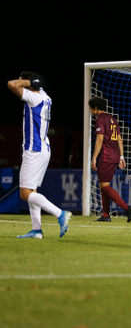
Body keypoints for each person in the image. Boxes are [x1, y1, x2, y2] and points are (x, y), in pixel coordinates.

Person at [7, 71, 71, 239]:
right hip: (44, 149)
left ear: (28, 83)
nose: (19, 81)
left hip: (34, 149)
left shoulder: (34, 98)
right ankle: (36, 230)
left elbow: (11, 84)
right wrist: (32, 82)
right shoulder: (45, 96)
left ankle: (60, 214)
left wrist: (24, 82)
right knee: (32, 190)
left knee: (25, 193)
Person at [89, 96, 131, 222]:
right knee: (104, 184)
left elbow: (99, 140)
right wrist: (121, 156)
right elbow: (119, 139)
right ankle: (105, 215)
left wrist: (94, 158)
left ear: (96, 108)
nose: (90, 111)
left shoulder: (100, 119)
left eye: (91, 109)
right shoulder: (112, 119)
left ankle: (127, 208)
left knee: (104, 186)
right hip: (114, 156)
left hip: (106, 156)